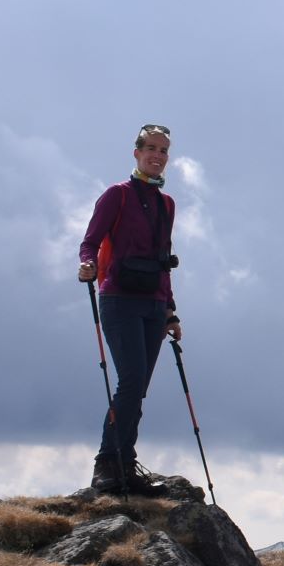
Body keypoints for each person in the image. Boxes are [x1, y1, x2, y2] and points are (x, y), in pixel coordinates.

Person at [79, 123, 185, 496]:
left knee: (138, 388)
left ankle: (124, 464)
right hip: (118, 298)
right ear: (137, 152)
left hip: (153, 304)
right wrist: (87, 266)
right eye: (151, 148)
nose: (157, 155)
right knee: (131, 381)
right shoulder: (117, 195)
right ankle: (106, 465)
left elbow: (163, 261)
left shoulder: (165, 203)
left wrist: (170, 311)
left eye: (163, 150)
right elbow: (90, 242)